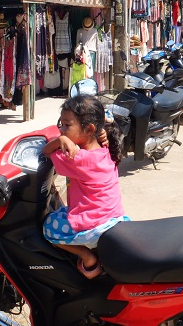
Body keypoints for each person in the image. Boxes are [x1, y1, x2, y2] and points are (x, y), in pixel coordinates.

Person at [42, 95, 128, 279]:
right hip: (111, 216)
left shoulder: (78, 159)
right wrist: (66, 136)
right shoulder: (105, 147)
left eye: (67, 125)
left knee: (49, 226)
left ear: (89, 129)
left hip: (93, 223)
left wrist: (59, 141)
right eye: (61, 125)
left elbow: (46, 151)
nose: (62, 130)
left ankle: (86, 255)